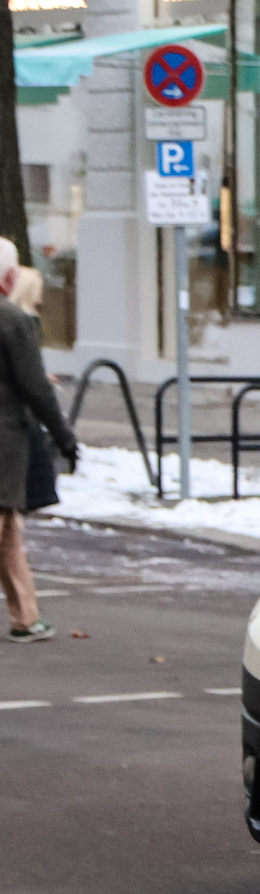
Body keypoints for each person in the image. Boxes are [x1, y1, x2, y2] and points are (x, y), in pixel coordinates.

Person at [0, 238, 77, 643]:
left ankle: (26, 617)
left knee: (10, 532)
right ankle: (26, 618)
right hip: (4, 444)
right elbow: (36, 388)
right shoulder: (10, 319)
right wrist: (64, 437)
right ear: (9, 276)